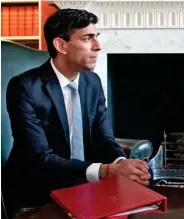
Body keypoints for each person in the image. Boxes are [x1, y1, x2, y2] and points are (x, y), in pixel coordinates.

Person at [2, 8, 151, 217]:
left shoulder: (92, 82)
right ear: (61, 45)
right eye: (87, 38)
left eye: (96, 37)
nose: (98, 46)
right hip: (37, 191)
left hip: (86, 188)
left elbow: (104, 138)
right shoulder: (24, 87)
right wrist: (108, 171)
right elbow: (40, 158)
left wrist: (122, 164)